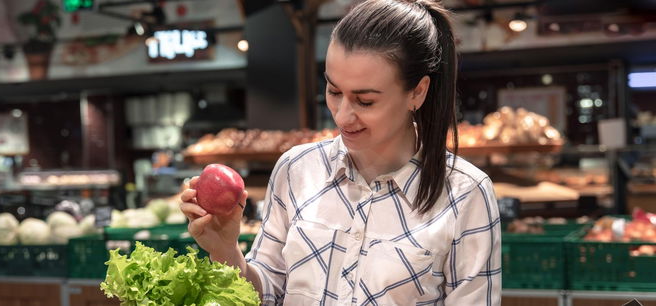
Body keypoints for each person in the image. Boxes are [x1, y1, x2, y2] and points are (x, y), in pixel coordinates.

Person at [180, 0, 501, 305]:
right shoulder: (296, 169)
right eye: (334, 92)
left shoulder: (465, 194)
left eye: (365, 101)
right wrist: (225, 251)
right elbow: (266, 293)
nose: (343, 115)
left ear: (417, 91)